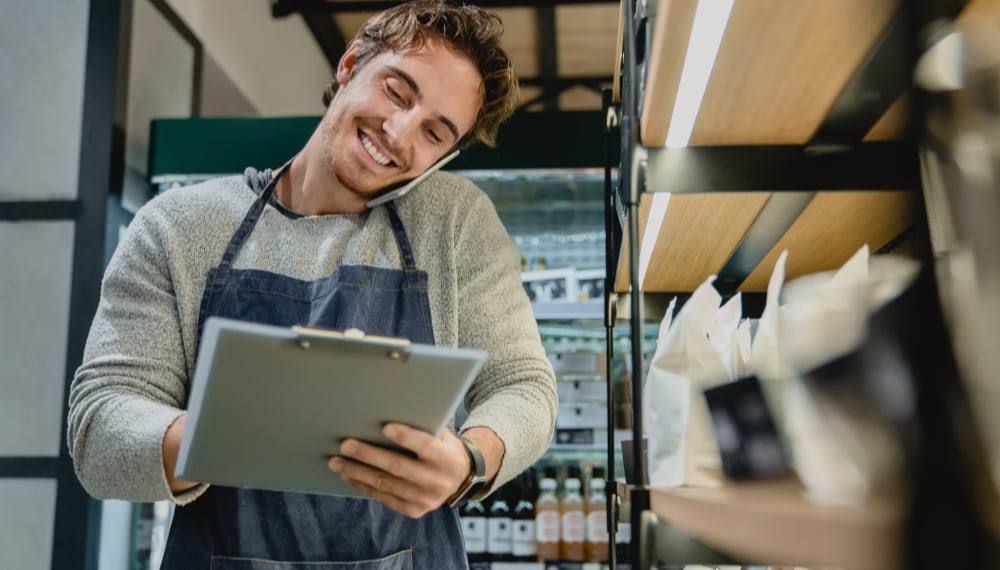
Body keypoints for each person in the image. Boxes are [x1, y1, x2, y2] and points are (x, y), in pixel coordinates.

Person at [67, 2, 557, 568]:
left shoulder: (455, 223)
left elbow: (524, 386)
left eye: (434, 131)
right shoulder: (178, 226)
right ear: (350, 65)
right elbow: (99, 427)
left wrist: (472, 460)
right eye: (397, 92)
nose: (398, 133)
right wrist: (223, 437)